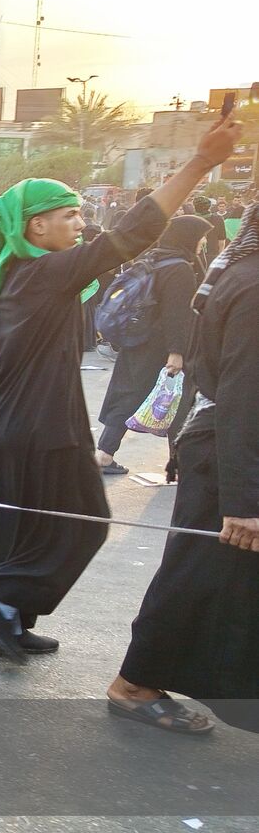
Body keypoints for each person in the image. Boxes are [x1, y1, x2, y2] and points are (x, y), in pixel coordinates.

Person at [0, 115, 242, 662]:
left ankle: (6, 625)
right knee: (87, 522)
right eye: (69, 216)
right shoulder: (45, 273)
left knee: (23, 527)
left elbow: (118, 244)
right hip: (43, 424)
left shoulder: (24, 271)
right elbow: (133, 232)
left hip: (15, 423)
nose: (80, 223)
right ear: (36, 227)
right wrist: (202, 162)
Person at [108, 202, 259, 735]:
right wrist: (244, 501)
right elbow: (245, 396)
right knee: (194, 573)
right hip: (230, 453)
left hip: (229, 450)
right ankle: (134, 684)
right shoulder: (254, 285)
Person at [94, 216, 210, 474]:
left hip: (137, 338)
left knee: (127, 395)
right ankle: (178, 462)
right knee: (179, 401)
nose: (203, 242)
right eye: (201, 236)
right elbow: (176, 315)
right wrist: (176, 352)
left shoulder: (153, 258)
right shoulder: (180, 268)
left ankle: (104, 454)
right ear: (188, 237)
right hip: (162, 345)